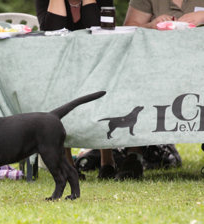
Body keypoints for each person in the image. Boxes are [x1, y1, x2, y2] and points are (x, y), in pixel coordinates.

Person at [98, 0, 204, 180]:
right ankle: (134, 156)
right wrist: (151, 26)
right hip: (155, 67)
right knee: (132, 74)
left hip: (199, 66)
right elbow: (128, 31)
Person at [35, 0, 113, 174]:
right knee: (60, 87)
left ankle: (107, 160)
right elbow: (53, 32)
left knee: (104, 82)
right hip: (61, 63)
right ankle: (67, 163)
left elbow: (97, 31)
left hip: (98, 60)